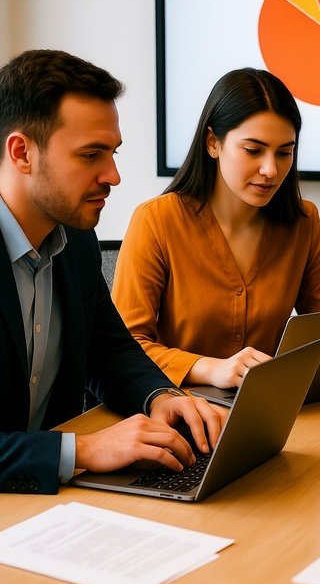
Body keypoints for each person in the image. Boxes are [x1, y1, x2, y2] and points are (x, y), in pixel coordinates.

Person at [0, 49, 225, 495]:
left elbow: (110, 351)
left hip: (57, 505)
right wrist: (80, 451)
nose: (114, 175)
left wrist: (161, 398)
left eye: (113, 153)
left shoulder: (74, 239)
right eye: (91, 155)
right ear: (22, 152)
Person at [112, 67, 320, 389]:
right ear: (212, 143)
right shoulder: (156, 221)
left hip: (266, 410)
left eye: (285, 153)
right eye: (253, 150)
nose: (270, 170)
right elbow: (125, 347)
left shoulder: (303, 222)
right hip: (175, 406)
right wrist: (210, 369)